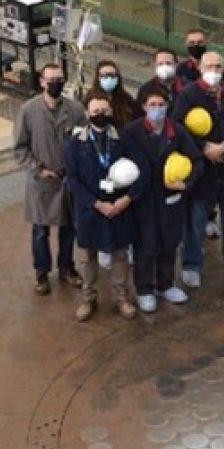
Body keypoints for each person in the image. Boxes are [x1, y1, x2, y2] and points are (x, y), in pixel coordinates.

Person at [173, 50, 224, 285]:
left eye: (218, 66)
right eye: (210, 66)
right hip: (202, 166)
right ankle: (192, 264)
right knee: (196, 219)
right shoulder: (188, 94)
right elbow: (178, 125)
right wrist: (205, 147)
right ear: (200, 68)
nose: (214, 71)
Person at [64, 92, 144, 320]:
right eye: (96, 112)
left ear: (111, 112)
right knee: (88, 256)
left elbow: (142, 170)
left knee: (120, 254)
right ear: (87, 114)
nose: (100, 115)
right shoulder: (74, 144)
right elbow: (72, 180)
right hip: (90, 210)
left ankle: (122, 298)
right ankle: (88, 298)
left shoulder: (124, 138)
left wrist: (126, 200)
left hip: (120, 208)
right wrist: (96, 203)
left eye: (105, 111)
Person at [121, 89, 201, 313]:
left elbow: (196, 160)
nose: (157, 108)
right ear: (144, 106)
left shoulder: (177, 131)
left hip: (170, 198)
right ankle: (145, 289)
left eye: (161, 104)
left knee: (169, 242)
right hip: (144, 198)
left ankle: (166, 284)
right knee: (145, 245)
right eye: (152, 104)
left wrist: (186, 183)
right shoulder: (132, 132)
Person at [13, 63, 86, 295]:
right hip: (42, 183)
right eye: (51, 79)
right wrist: (38, 169)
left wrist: (74, 169)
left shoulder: (75, 110)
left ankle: (67, 267)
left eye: (60, 79)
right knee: (40, 231)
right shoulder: (28, 110)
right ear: (42, 82)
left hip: (68, 181)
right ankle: (41, 272)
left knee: (68, 228)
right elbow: (20, 148)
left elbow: (83, 142)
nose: (56, 83)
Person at [86, 58, 137, 128]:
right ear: (98, 78)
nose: (109, 79)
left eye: (112, 75)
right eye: (105, 76)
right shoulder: (90, 97)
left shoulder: (126, 98)